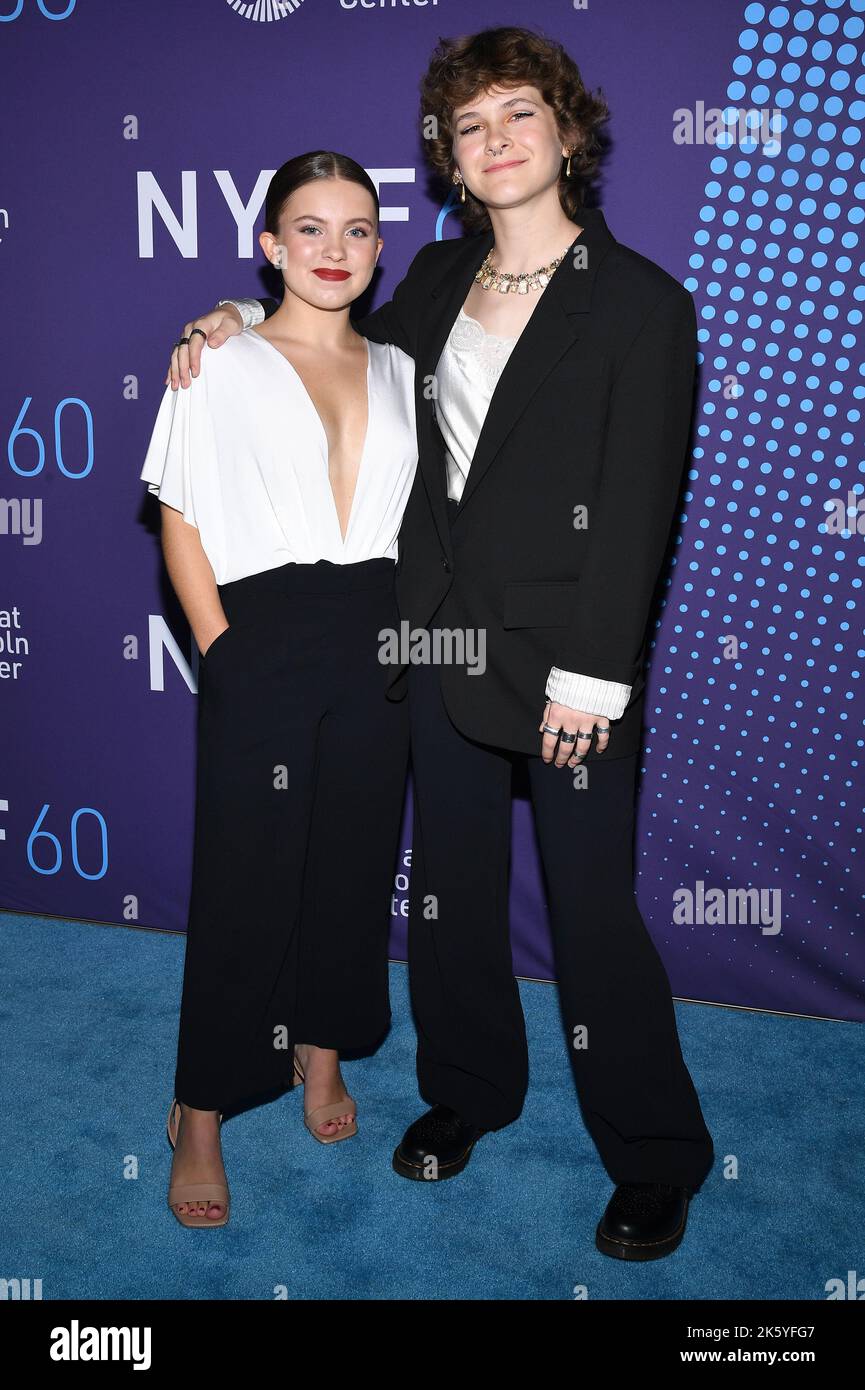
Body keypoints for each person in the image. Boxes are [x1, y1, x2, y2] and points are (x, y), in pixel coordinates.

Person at [165, 25, 714, 1259]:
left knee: (590, 912)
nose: (496, 140)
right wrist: (224, 320)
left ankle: (657, 1152)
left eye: (520, 115)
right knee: (455, 895)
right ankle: (469, 1089)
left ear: (568, 133)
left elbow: (636, 511)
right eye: (470, 127)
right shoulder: (428, 281)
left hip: (569, 667)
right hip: (437, 651)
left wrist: (593, 677)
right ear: (452, 162)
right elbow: (320, 332)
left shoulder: (639, 305)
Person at [141, 151, 417, 1227]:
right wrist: (221, 647)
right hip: (263, 634)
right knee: (247, 875)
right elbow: (181, 514)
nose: (335, 249)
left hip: (380, 638)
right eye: (310, 228)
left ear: (380, 247)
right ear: (268, 246)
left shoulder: (401, 369)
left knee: (349, 866)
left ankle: (321, 1051)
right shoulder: (221, 361)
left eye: (357, 229)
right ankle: (201, 1105)